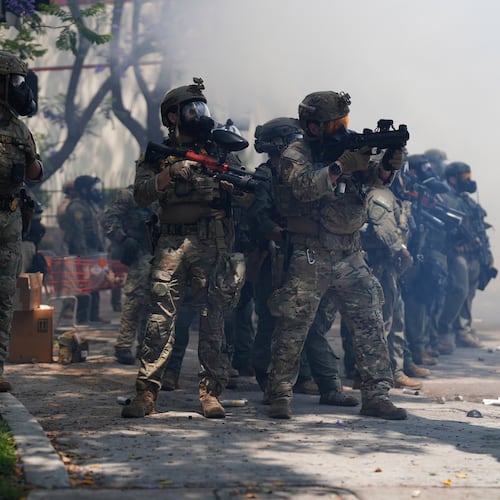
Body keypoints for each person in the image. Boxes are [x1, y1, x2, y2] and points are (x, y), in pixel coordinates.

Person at [266, 90, 407, 420]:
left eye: (345, 121)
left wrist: (388, 167)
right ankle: (280, 393)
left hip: (349, 252)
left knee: (370, 319)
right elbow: (301, 188)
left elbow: (375, 180)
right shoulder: (295, 152)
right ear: (314, 127)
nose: (343, 128)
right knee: (293, 325)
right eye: (336, 123)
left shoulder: (346, 149)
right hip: (310, 253)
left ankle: (376, 394)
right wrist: (340, 166)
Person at [122, 77, 246, 419]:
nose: (199, 114)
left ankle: (210, 394)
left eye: (201, 107)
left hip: (210, 242)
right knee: (159, 319)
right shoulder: (159, 156)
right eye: (190, 109)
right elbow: (141, 193)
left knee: (212, 319)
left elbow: (248, 192)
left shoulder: (219, 151)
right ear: (172, 117)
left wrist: (229, 191)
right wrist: (171, 173)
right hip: (171, 243)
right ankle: (147, 394)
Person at [249, 117, 357, 406]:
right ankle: (270, 384)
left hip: (306, 255)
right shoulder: (264, 176)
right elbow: (261, 220)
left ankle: (327, 385)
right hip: (275, 259)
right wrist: (286, 234)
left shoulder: (305, 172)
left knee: (312, 326)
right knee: (274, 323)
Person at [0, 50, 43, 392]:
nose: (20, 88)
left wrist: (30, 164)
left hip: (9, 219)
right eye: (14, 80)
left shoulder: (18, 128)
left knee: (3, 298)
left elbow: (35, 171)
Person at [436, 161, 496, 352]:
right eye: (465, 177)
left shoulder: (469, 201)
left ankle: (462, 331)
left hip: (474, 255)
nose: (469, 181)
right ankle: (444, 331)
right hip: (456, 254)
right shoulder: (444, 199)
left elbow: (480, 228)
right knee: (459, 291)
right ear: (453, 179)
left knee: (469, 293)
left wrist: (487, 255)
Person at [100, 185, 157, 365]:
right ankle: (124, 346)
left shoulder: (166, 191)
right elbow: (108, 218)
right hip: (139, 250)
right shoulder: (130, 194)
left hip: (161, 250)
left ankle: (145, 346)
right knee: (136, 299)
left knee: (155, 300)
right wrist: (123, 238)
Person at [63, 174, 108, 324]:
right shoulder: (76, 207)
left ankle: (94, 315)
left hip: (93, 251)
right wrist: (83, 257)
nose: (94, 191)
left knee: (96, 282)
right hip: (82, 253)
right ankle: (82, 318)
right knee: (84, 285)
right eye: (90, 188)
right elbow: (79, 233)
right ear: (83, 190)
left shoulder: (87, 205)